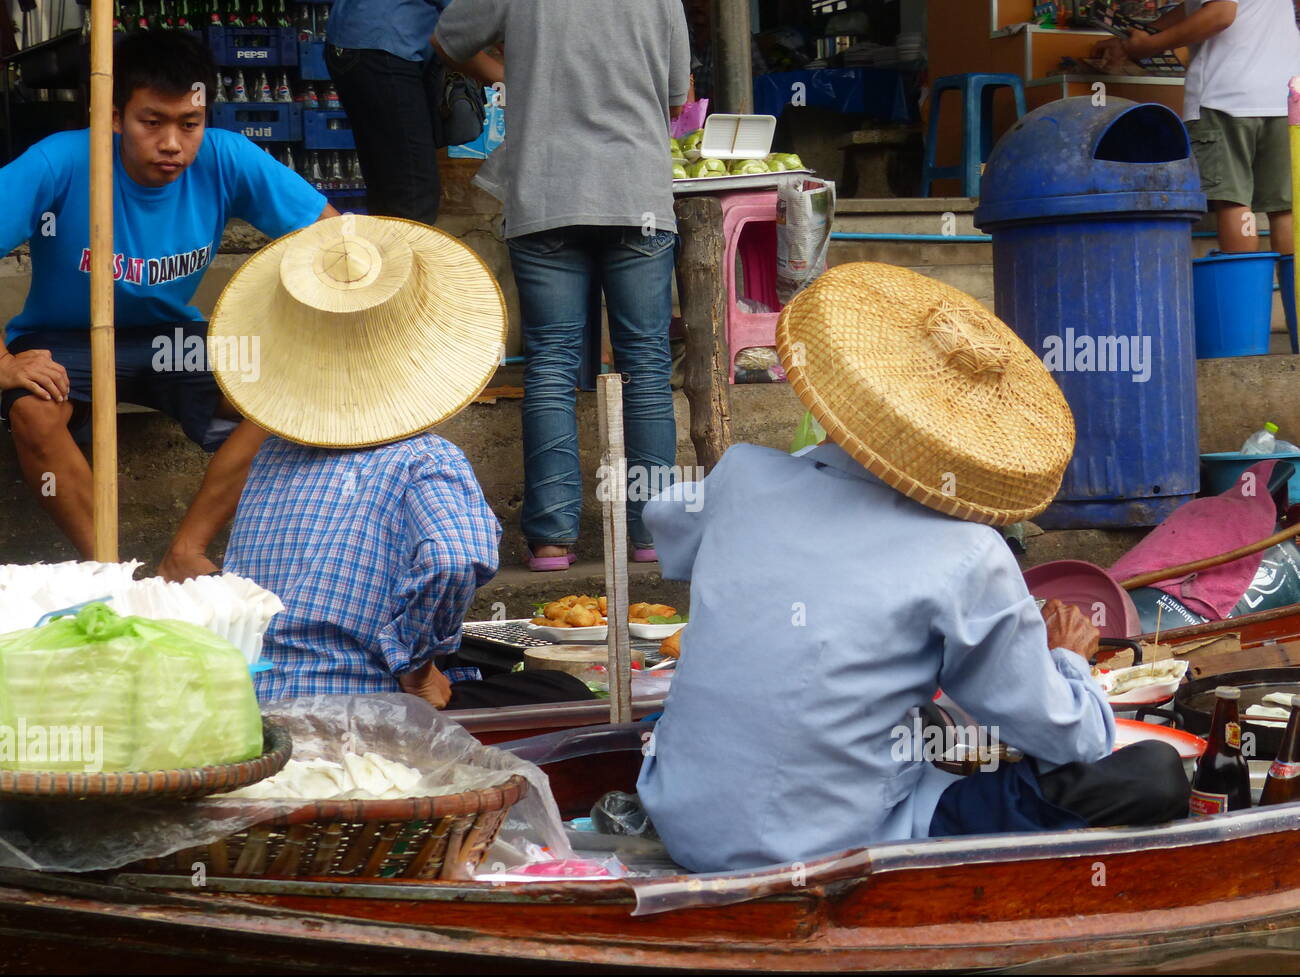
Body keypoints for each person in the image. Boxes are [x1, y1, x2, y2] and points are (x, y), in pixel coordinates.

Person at [637, 263, 1190, 873]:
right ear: (971, 447)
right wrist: (1065, 659)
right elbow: (1074, 739)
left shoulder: (741, 475)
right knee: (1152, 774)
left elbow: (670, 532)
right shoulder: (968, 554)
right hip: (830, 849)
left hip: (683, 821)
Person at [218, 213, 591, 711]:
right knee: (561, 691)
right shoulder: (424, 459)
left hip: (249, 700)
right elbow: (453, 560)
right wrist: (417, 669)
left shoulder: (270, 455)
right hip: (361, 707)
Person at [0, 29, 337, 577]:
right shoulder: (59, 161)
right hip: (67, 343)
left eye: (190, 123)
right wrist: (5, 363)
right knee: (32, 411)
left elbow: (336, 244)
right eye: (151, 122)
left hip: (169, 345)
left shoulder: (228, 158)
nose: (173, 144)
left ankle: (185, 553)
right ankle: (113, 576)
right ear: (113, 116)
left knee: (284, 392)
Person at [434, 0, 691, 571]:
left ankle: (552, 539)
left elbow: (447, 42)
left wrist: (510, 74)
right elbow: (678, 97)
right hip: (637, 194)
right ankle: (650, 534)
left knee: (551, 363)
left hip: (546, 192)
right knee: (646, 363)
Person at [1093, 0, 1300, 255]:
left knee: (1234, 203)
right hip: (1283, 97)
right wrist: (1145, 33)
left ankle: (1243, 295)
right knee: (1284, 210)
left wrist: (1151, 45)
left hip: (1226, 97)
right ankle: (1293, 294)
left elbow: (1220, 13)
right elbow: (1195, 7)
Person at [325, 0, 504, 224]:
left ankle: (386, 255)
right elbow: (478, 17)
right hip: (385, 46)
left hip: (359, 41)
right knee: (413, 194)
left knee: (392, 187)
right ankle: (404, 257)